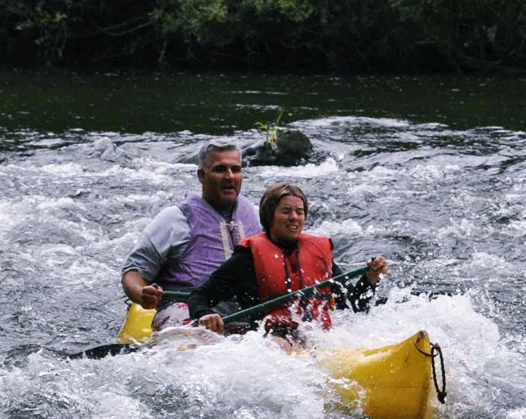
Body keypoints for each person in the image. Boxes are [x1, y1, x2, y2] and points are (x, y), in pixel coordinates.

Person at [189, 183, 388, 338]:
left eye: (299, 212)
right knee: (280, 343)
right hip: (270, 342)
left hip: (319, 339)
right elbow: (199, 296)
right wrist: (204, 314)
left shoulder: (318, 253)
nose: (294, 217)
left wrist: (369, 280)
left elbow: (352, 305)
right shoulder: (247, 258)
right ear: (269, 216)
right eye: (286, 211)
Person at [120, 140, 261, 325]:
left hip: (246, 311)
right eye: (220, 169)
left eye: (235, 169)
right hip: (186, 310)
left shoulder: (259, 218)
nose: (230, 176)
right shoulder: (173, 220)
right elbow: (133, 271)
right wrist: (141, 294)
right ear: (202, 175)